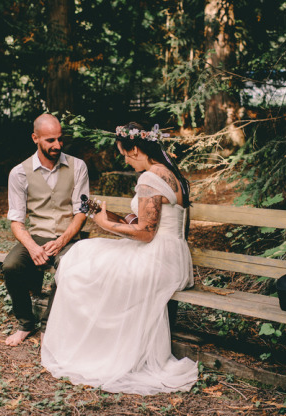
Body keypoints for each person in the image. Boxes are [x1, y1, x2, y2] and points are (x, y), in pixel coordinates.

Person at [41, 122, 198, 394]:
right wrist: (117, 218)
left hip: (156, 256)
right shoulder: (171, 172)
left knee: (82, 267)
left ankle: (91, 344)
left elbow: (146, 233)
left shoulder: (150, 178)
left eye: (125, 154)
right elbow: (152, 222)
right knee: (85, 253)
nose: (125, 160)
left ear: (135, 149)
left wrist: (106, 224)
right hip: (174, 256)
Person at [2, 114, 89, 346]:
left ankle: (48, 327)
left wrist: (61, 241)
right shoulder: (19, 173)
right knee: (11, 266)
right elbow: (16, 221)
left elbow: (81, 212)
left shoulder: (78, 166)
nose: (57, 145)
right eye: (50, 140)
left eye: (60, 139)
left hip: (68, 238)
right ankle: (25, 323)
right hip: (37, 236)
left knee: (67, 266)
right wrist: (32, 247)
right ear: (35, 138)